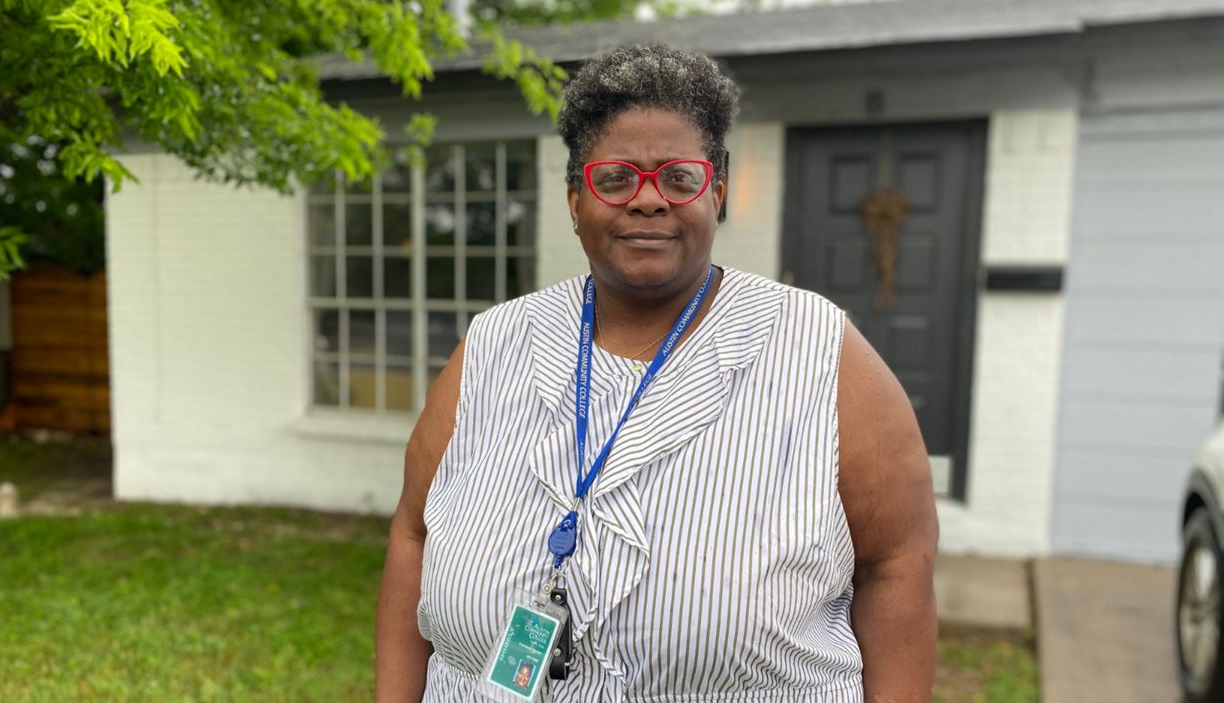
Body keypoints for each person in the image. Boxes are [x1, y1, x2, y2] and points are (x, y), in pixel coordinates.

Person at [376, 45, 938, 702]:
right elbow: (413, 533)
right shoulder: (493, 345)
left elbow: (898, 565)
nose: (648, 199)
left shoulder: (822, 354)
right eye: (616, 178)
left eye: (679, 177)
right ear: (575, 200)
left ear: (716, 194)